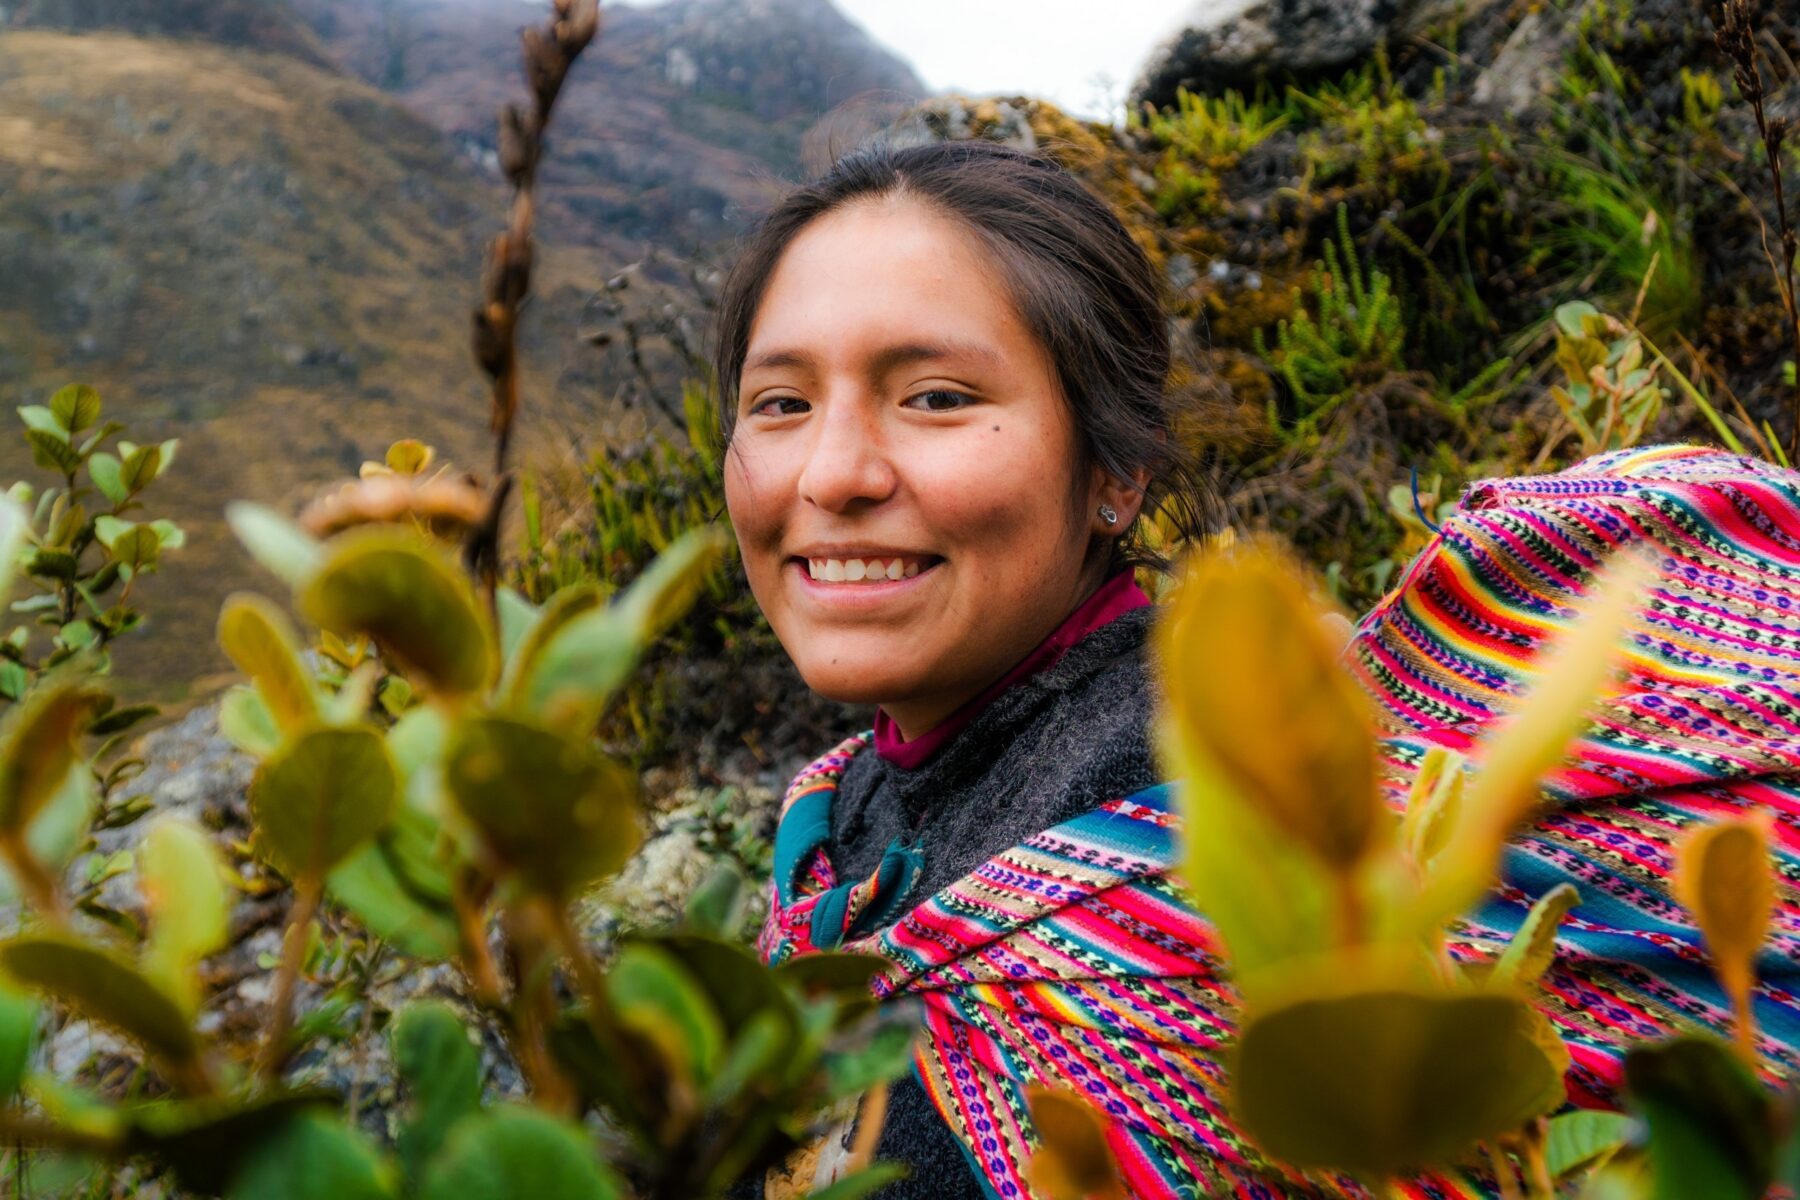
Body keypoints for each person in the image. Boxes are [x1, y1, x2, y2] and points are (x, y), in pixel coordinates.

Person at [717, 137, 1800, 1200]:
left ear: (1116, 470)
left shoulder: (1215, 791)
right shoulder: (833, 820)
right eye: (781, 404)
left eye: (938, 396)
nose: (832, 472)